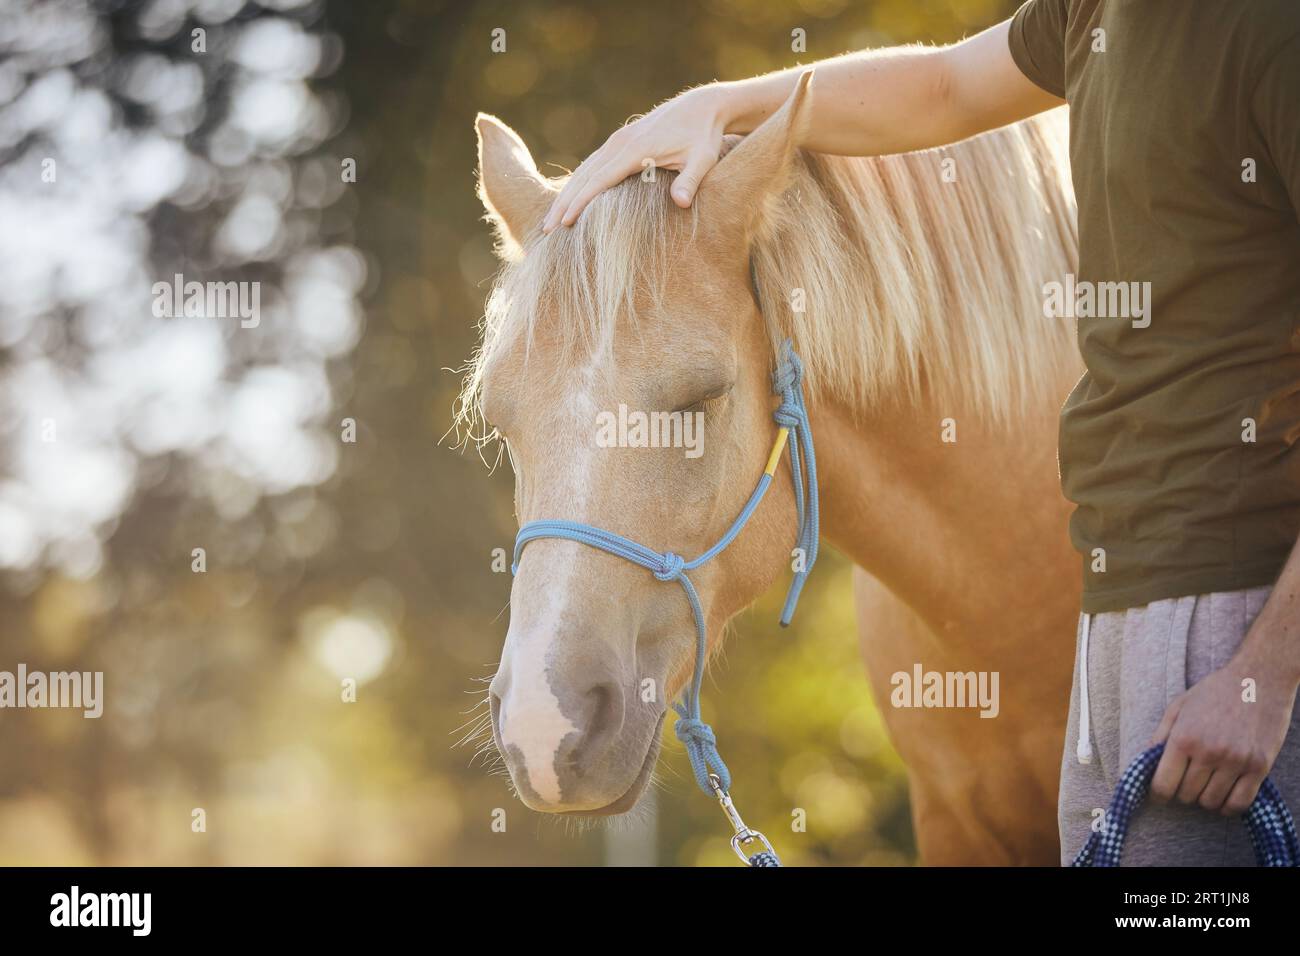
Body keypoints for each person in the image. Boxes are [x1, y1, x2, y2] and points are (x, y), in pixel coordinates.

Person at [543, 1, 1300, 866]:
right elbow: (943, 85)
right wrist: (717, 105)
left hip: (1231, 585)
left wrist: (1267, 677)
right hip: (1119, 587)